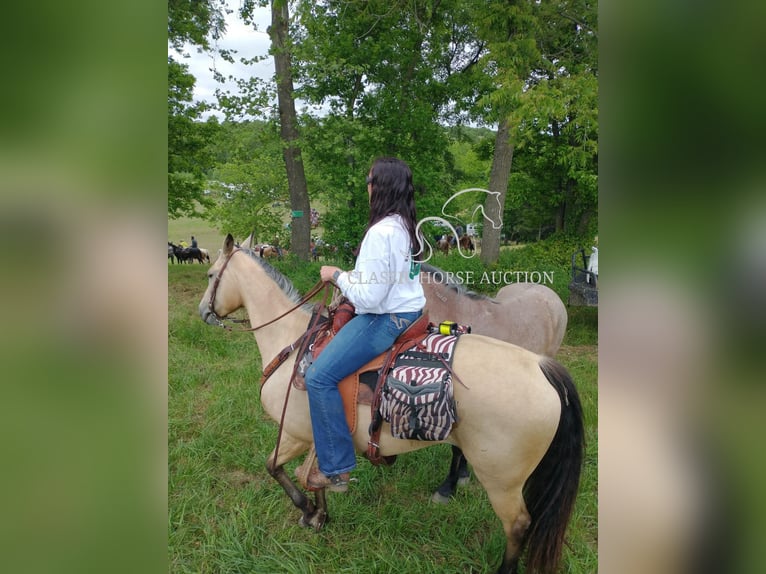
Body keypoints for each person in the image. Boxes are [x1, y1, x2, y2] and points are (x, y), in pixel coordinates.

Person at [305, 157, 426, 492]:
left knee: (318, 377)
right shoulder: (407, 225)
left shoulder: (380, 232)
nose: (367, 186)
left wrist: (337, 275)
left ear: (381, 186)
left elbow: (370, 300)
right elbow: (387, 279)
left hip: (386, 319)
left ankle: (335, 469)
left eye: (369, 180)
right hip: (414, 312)